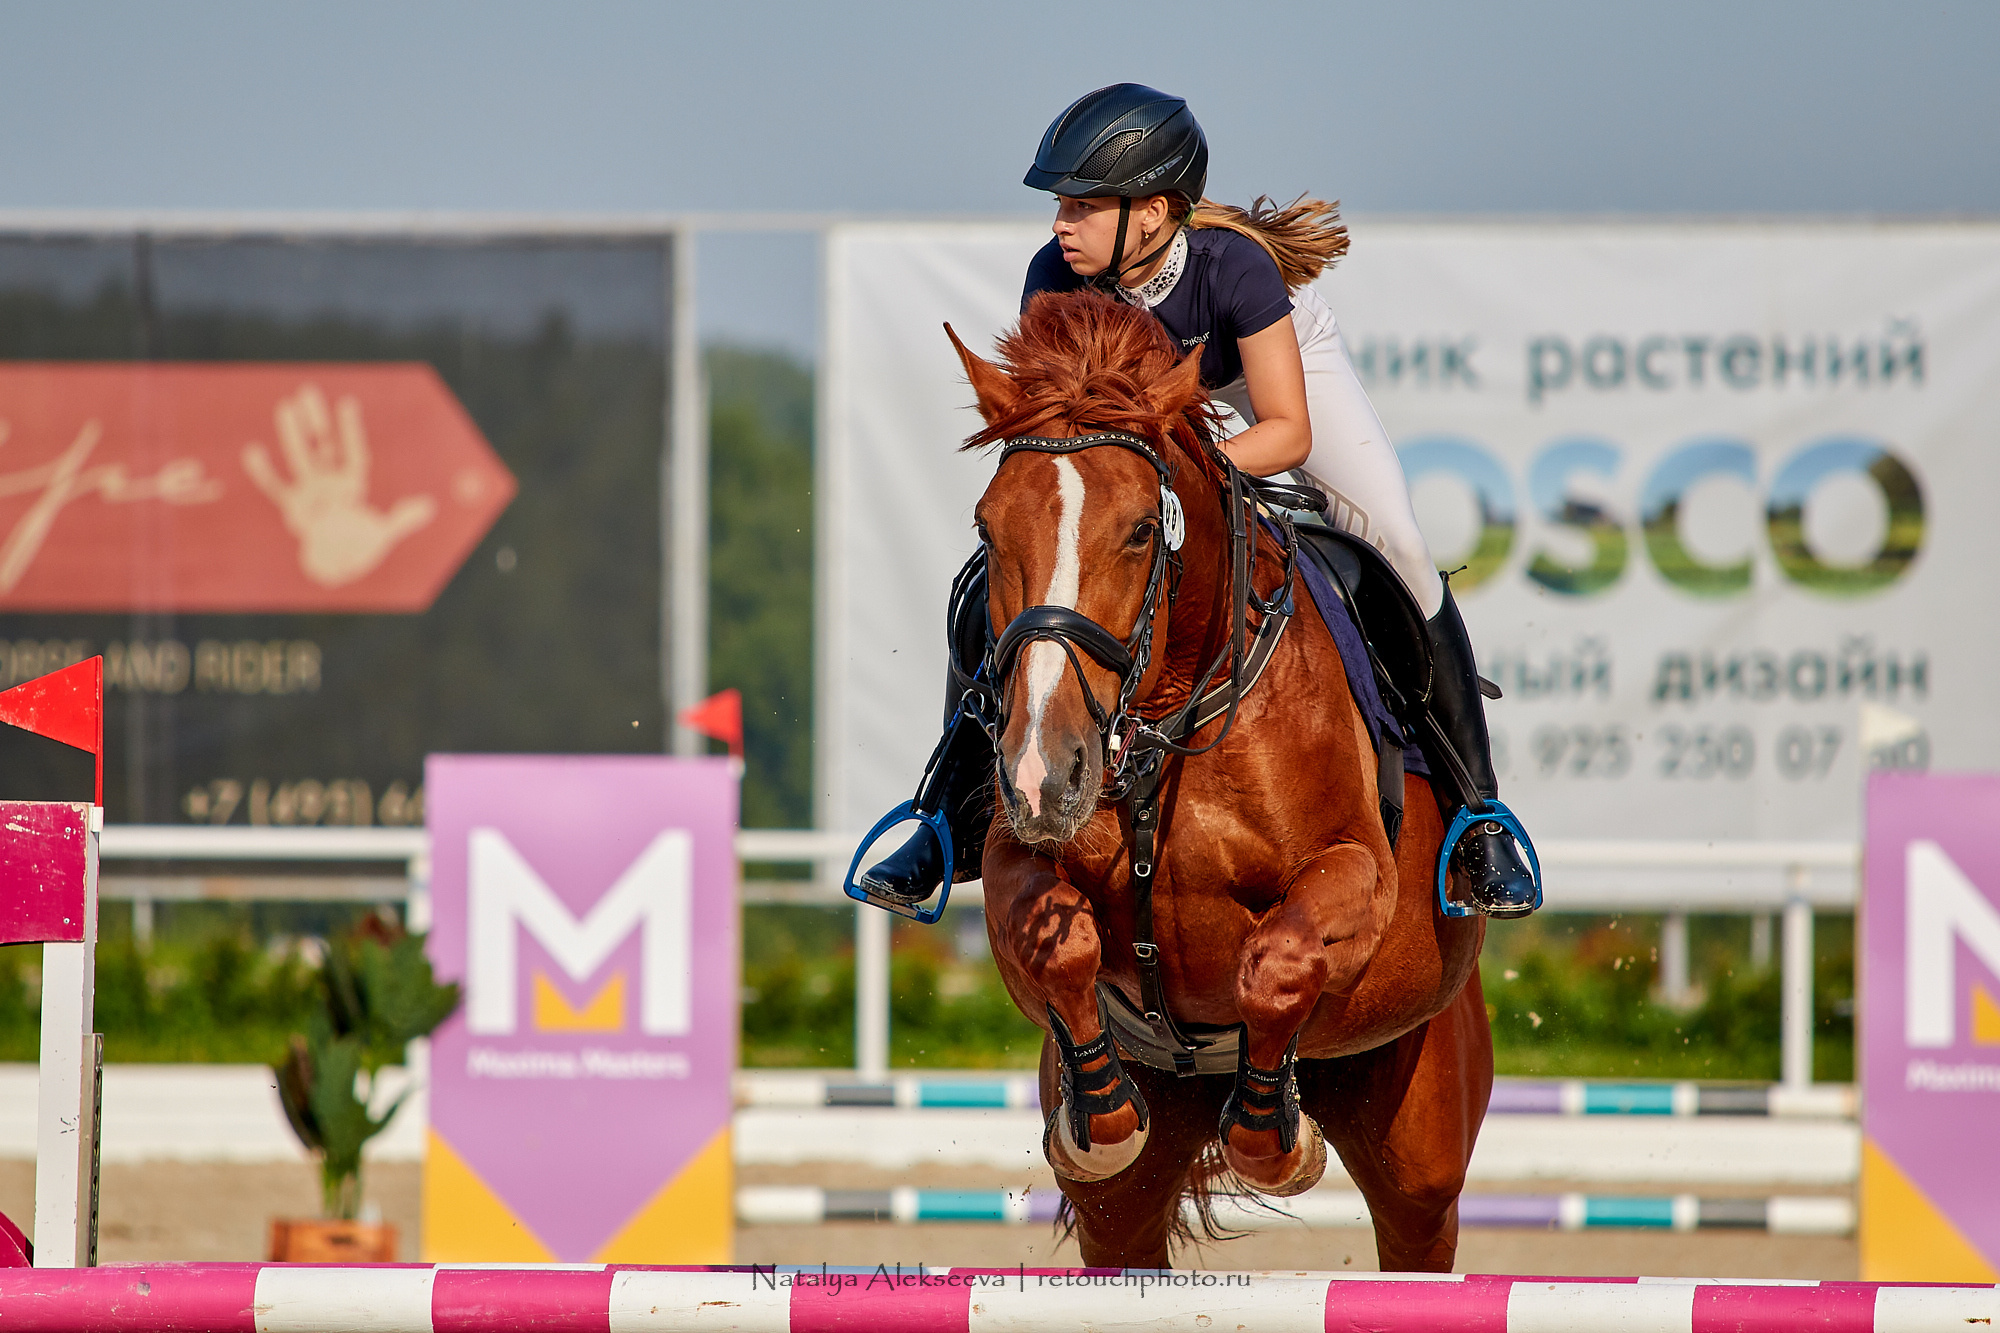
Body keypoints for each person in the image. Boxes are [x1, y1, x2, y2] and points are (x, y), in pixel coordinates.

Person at [859, 83, 1538, 919]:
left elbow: (1287, 431)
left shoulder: (1235, 269)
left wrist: (1181, 478)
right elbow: (1062, 431)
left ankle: (1479, 813)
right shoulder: (1055, 276)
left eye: (1080, 205)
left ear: (1151, 212)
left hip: (1259, 393)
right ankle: (947, 812)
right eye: (1060, 206)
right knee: (992, 580)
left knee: (1394, 538)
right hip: (1151, 425)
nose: (1058, 225)